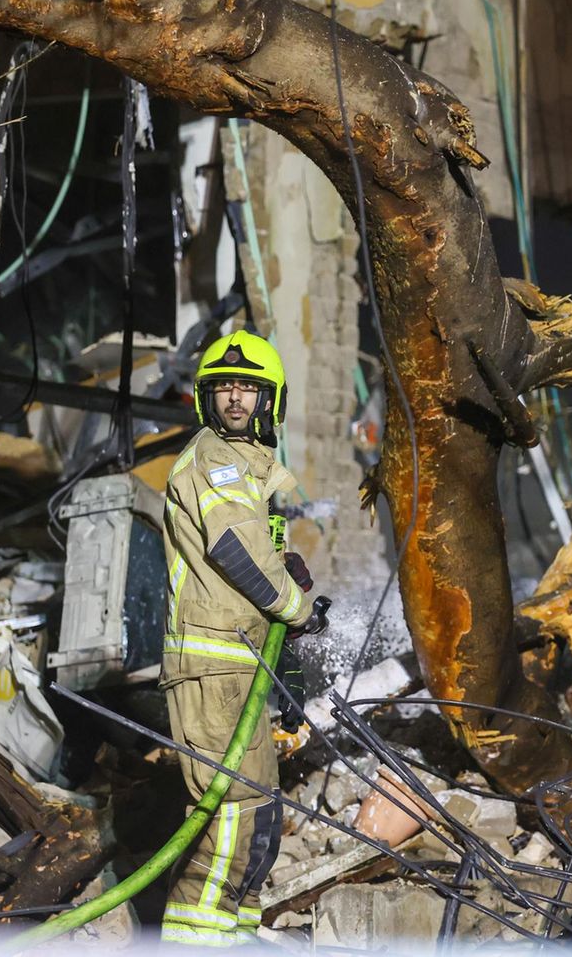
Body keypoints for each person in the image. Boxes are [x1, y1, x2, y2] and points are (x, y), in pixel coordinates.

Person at [158, 330, 330, 946]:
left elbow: (258, 550)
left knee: (258, 819)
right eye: (224, 388)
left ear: (270, 400)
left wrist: (288, 576)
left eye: (248, 389)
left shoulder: (251, 470)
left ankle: (235, 936)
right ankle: (196, 941)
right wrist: (295, 606)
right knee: (231, 816)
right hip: (213, 666)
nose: (235, 399)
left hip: (240, 665)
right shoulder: (215, 458)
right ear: (208, 400)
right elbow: (234, 546)